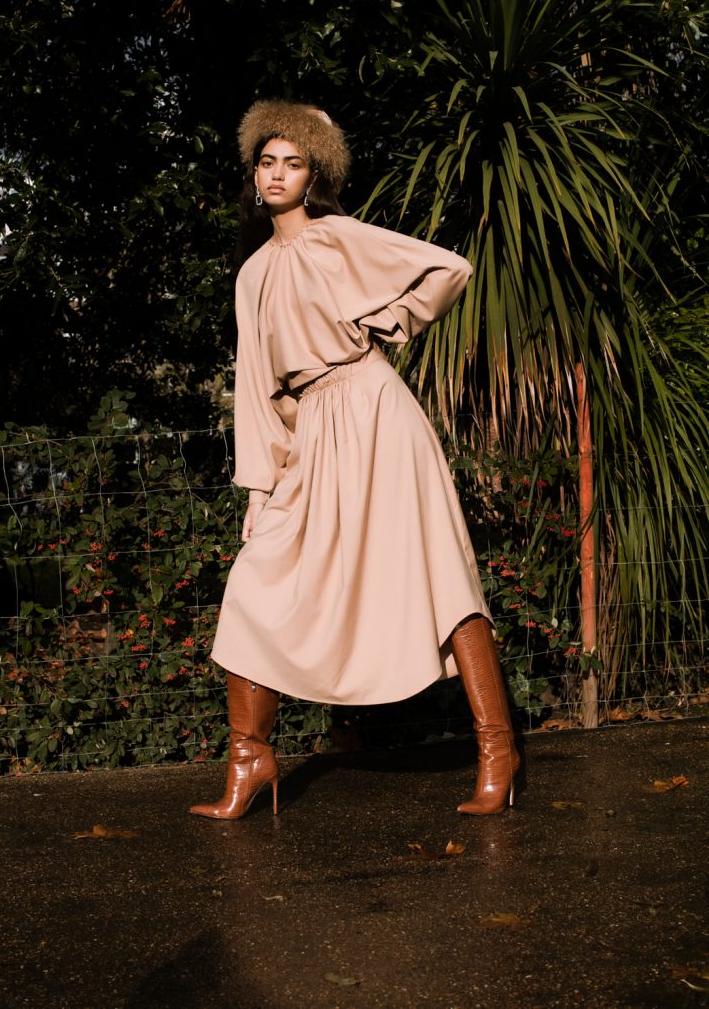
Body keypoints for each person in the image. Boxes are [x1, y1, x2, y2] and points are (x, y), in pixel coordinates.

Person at [189, 99, 520, 821]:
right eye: (267, 162)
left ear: (315, 176)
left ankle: (498, 751)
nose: (278, 174)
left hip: (375, 409)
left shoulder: (337, 237)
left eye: (293, 163)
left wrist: (390, 320)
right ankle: (250, 758)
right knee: (254, 584)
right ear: (254, 175)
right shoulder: (251, 274)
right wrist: (259, 490)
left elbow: (449, 268)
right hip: (312, 431)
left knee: (441, 574)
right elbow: (256, 387)